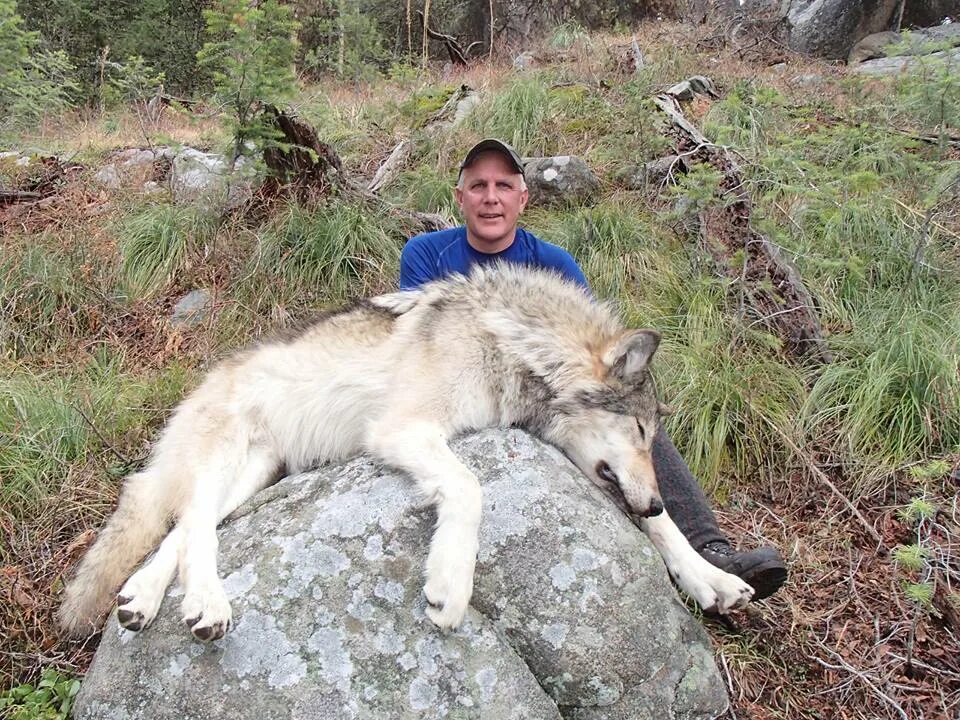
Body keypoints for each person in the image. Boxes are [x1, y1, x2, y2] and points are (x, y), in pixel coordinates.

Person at [400, 138, 787, 601]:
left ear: (523, 198)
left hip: (555, 405)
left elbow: (592, 364)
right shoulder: (425, 255)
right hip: (470, 400)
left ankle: (708, 550)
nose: (491, 197)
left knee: (632, 425)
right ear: (460, 197)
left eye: (504, 185)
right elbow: (425, 350)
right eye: (478, 185)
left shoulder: (555, 264)